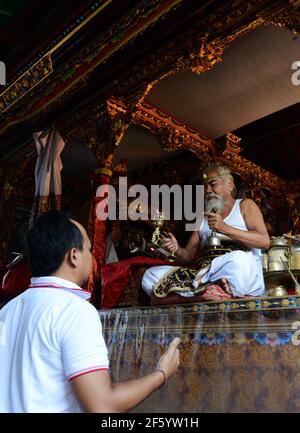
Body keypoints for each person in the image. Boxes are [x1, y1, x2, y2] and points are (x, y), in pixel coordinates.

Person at [0, 211, 180, 413]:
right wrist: (161, 373)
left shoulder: (7, 311)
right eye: (88, 249)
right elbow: (102, 405)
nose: (92, 257)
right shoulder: (75, 311)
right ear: (74, 256)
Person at [142, 163, 270, 298]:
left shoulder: (245, 205)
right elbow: (188, 256)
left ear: (229, 185)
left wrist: (225, 229)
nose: (207, 190)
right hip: (206, 274)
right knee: (150, 275)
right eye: (205, 187)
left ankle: (200, 290)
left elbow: (264, 241)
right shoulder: (202, 217)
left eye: (213, 184)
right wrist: (177, 249)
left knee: (239, 259)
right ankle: (211, 289)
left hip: (238, 272)